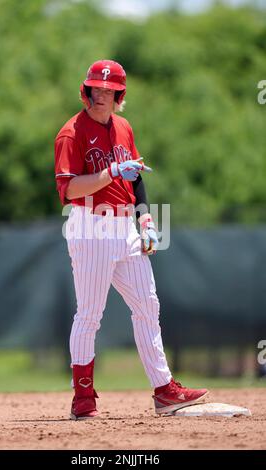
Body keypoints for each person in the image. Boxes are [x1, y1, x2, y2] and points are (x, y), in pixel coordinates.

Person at [54, 59, 208, 420]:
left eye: (109, 89)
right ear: (86, 90)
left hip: (125, 227)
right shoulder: (71, 133)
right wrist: (109, 172)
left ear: (119, 94)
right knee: (90, 314)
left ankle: (164, 390)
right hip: (91, 223)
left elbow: (136, 177)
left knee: (148, 305)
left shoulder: (123, 127)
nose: (102, 94)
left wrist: (147, 217)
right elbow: (70, 188)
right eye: (97, 88)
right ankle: (83, 398)